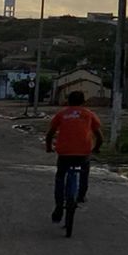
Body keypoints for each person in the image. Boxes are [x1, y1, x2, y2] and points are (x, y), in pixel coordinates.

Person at [45, 91, 104, 222]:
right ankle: (81, 195)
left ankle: (59, 206)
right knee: (84, 172)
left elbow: (49, 134)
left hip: (64, 154)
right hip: (83, 153)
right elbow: (100, 137)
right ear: (83, 102)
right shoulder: (89, 114)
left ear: (68, 101)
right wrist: (96, 148)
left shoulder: (61, 114)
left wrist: (49, 147)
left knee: (60, 177)